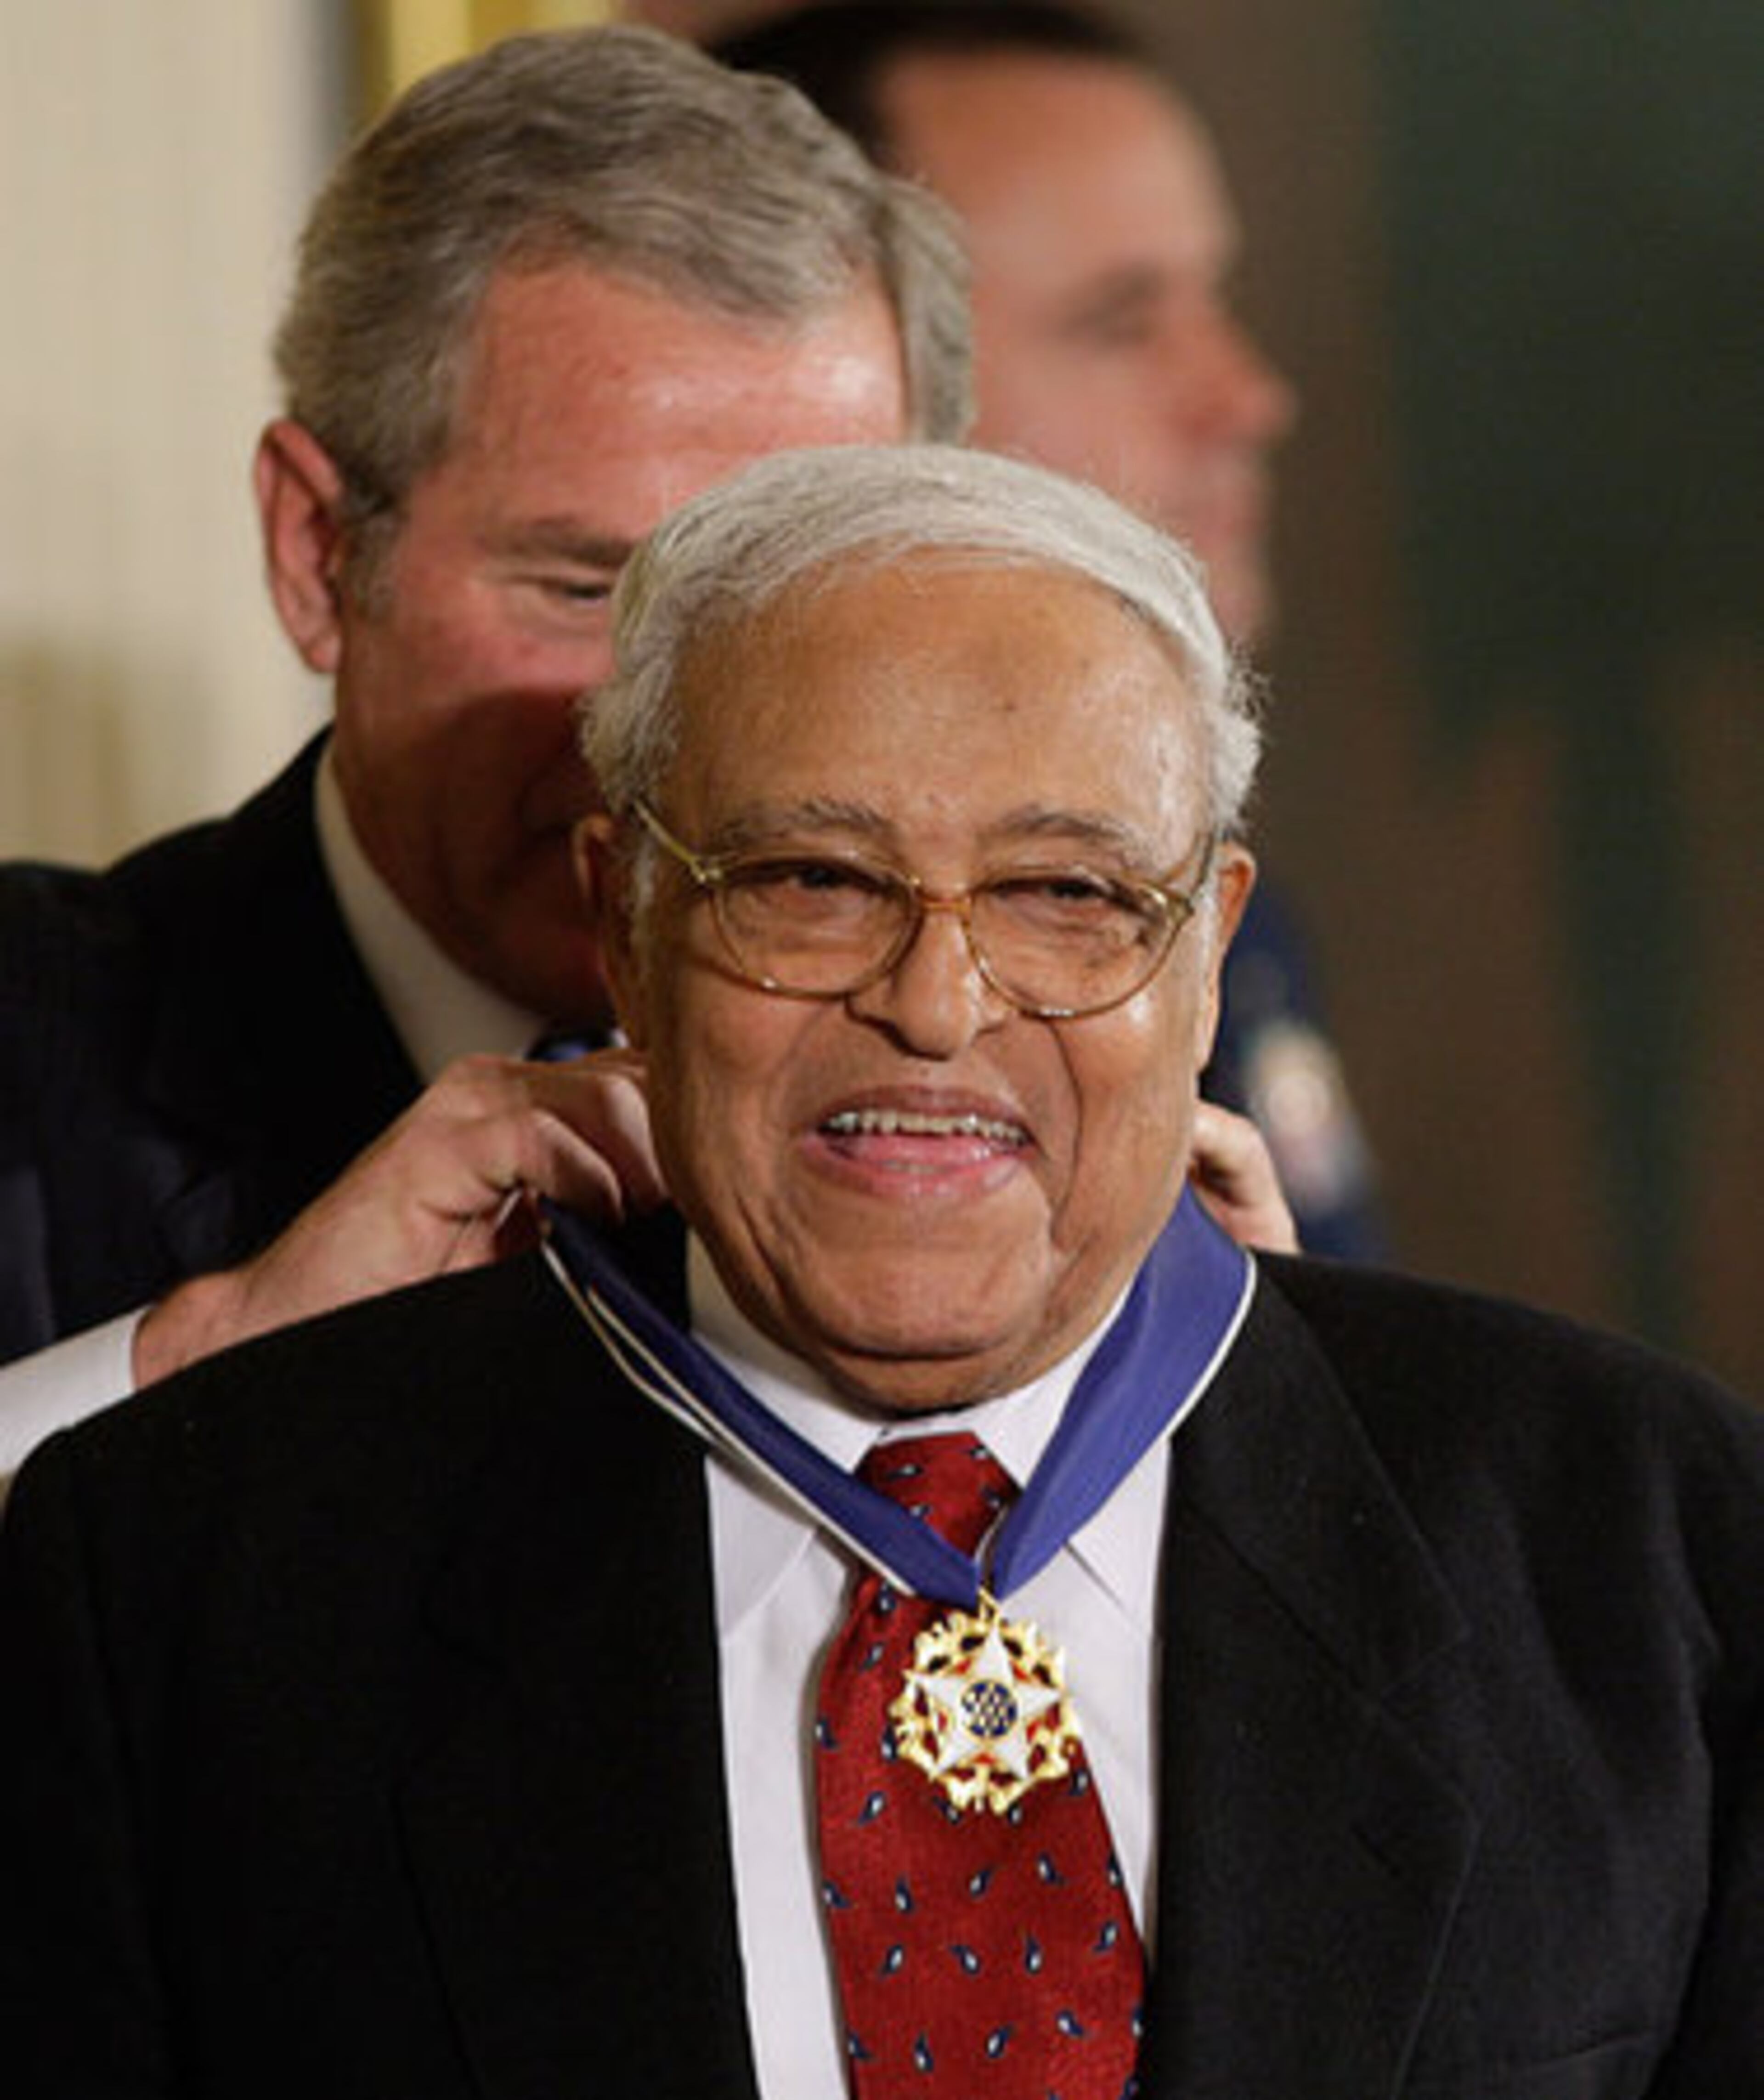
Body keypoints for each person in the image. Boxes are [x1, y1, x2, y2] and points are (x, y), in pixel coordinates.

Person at [2, 444, 1757, 2095]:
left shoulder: (1656, 1549)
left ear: (1208, 951)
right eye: (812, 880)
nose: (936, 1004)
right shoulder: (194, 1582)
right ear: (624, 915)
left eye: (1066, 892)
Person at [0, 21, 1289, 1483]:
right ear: (316, 554)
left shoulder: (1104, 1057)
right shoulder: (36, 1051)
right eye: (582, 592)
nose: (665, 728)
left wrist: (1261, 1433)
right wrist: (194, 1370)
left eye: (793, 605)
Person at [708, 0, 1384, 1256]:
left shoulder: (1230, 931)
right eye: (1124, 321)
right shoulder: (695, 975)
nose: (1248, 396)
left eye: (1214, 299)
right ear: (856, 393)